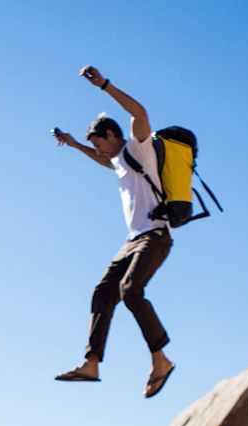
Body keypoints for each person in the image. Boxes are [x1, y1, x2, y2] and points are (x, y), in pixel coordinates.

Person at [53, 65, 177, 399]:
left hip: (156, 235)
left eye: (101, 143)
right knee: (102, 292)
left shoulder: (138, 148)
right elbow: (101, 160)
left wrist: (104, 85)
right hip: (133, 241)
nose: (101, 151)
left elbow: (140, 112)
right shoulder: (117, 160)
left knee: (130, 290)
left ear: (112, 135)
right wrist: (76, 145)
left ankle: (160, 361)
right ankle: (91, 363)